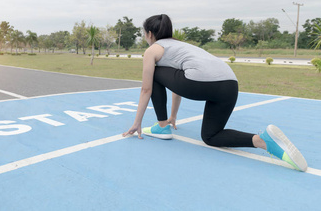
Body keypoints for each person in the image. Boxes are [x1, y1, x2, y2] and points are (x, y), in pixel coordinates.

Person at [122, 14, 307, 172]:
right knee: (211, 136)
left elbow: (147, 88)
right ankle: (263, 141)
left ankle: (161, 127)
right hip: (230, 85)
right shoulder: (182, 47)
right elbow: (176, 82)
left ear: (149, 34)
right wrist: (173, 115)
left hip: (200, 83)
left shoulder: (152, 50)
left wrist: (137, 122)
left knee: (153, 75)